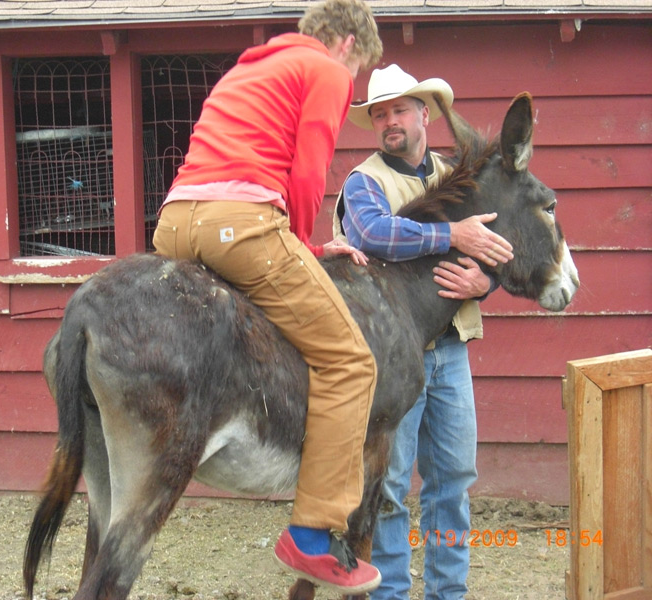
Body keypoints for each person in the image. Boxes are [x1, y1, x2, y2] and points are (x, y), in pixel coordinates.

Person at [151, 0, 384, 594]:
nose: (350, 84)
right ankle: (310, 536)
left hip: (175, 222)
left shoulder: (247, 69)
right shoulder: (328, 70)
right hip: (242, 224)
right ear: (349, 45)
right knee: (351, 362)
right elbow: (307, 175)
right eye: (358, 73)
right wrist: (302, 246)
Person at [333, 64, 514, 599]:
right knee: (388, 486)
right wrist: (451, 232)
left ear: (424, 115)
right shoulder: (365, 181)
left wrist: (485, 280)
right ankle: (390, 594)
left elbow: (498, 248)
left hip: (451, 350)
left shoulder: (460, 177)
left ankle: (447, 592)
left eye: (399, 110)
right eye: (380, 113)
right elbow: (373, 233)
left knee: (453, 481)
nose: (390, 121)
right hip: (389, 357)